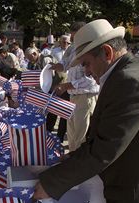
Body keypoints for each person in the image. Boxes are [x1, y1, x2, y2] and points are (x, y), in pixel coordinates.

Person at [34, 19, 139, 203]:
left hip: (134, 202)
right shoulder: (131, 71)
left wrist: (51, 184)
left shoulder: (129, 82)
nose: (87, 72)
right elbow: (103, 137)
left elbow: (104, 150)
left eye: (87, 64)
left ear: (107, 53)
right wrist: (70, 159)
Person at [51, 22, 99, 151]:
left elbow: (92, 79)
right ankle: (71, 158)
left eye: (75, 36)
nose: (72, 39)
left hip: (85, 95)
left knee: (80, 133)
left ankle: (77, 162)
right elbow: (65, 64)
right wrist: (54, 66)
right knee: (71, 131)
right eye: (72, 36)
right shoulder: (73, 47)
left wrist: (68, 85)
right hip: (73, 94)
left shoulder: (91, 48)